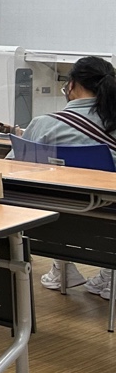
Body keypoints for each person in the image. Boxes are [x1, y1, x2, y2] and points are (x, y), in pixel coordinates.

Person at [25, 56, 116, 297]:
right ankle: (110, 273)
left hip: (51, 227)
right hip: (109, 229)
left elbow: (12, 172)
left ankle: (62, 268)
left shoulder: (43, 125)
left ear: (72, 85)